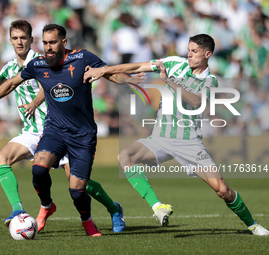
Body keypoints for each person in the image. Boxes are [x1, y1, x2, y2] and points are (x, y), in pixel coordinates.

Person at [0, 20, 125, 234]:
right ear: (10, 41)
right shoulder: (12, 66)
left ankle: (113, 208)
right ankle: (19, 211)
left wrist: (35, 102)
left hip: (57, 128)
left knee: (77, 185)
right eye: (15, 38)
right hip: (33, 131)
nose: (19, 42)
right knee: (2, 159)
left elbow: (50, 85)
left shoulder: (42, 60)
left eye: (23, 38)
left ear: (31, 40)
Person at [83, 34, 269, 236]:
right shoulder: (173, 63)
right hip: (160, 138)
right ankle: (157, 206)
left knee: (222, 190)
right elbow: (136, 67)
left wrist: (168, 81)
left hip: (188, 143)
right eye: (188, 50)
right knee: (125, 156)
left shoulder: (210, 80)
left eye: (194, 51)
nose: (189, 54)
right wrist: (104, 70)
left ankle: (252, 225)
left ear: (207, 54)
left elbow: (196, 102)